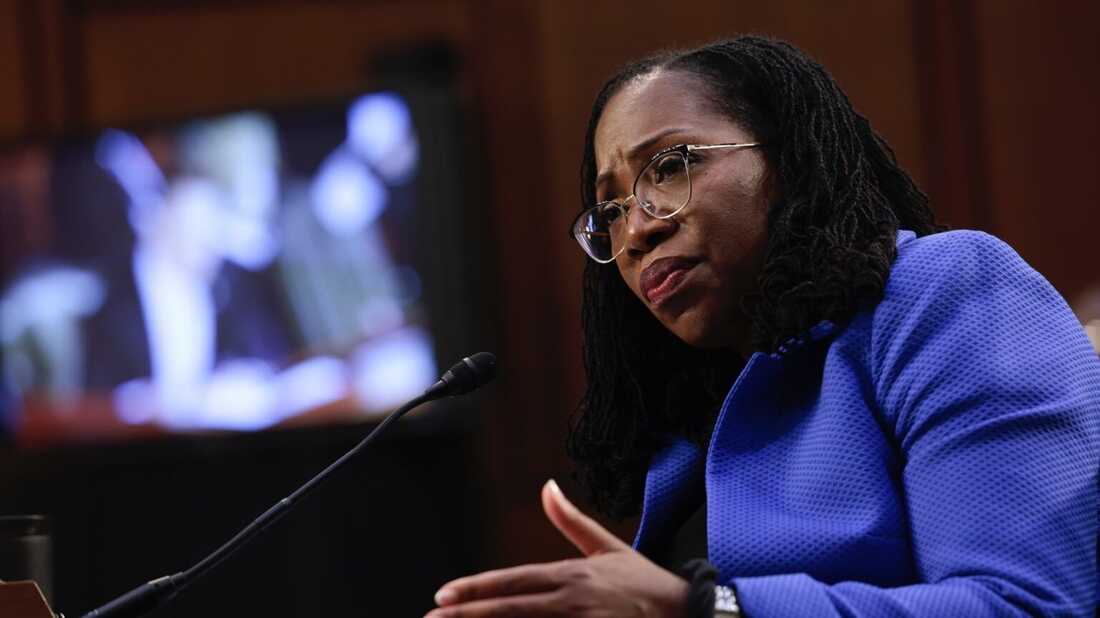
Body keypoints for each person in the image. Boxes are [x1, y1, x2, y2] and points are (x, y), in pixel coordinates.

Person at [427, 36, 1100, 617]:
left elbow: (1026, 603)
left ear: (788, 160)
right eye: (611, 210)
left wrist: (706, 607)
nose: (636, 231)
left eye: (671, 166)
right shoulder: (694, 418)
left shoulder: (943, 292)